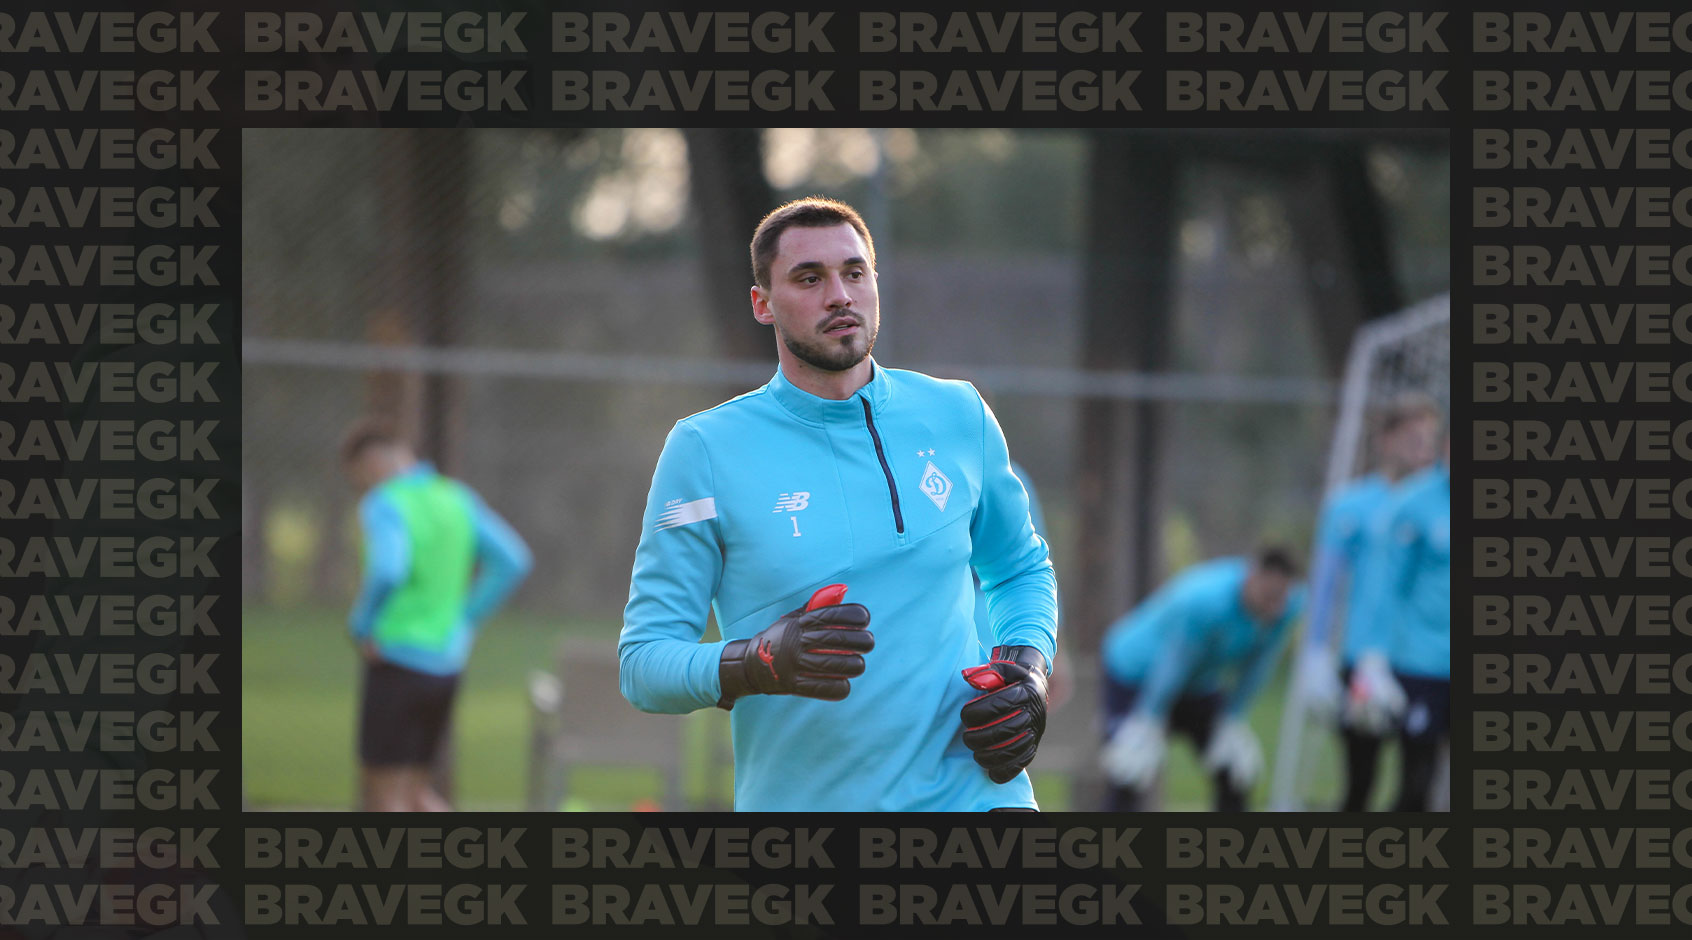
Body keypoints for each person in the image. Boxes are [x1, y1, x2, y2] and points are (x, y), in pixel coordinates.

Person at [618, 196, 1058, 811]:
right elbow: (643, 665)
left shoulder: (959, 414)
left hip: (977, 797)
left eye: (854, 273)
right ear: (762, 305)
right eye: (809, 278)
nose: (839, 295)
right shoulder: (703, 451)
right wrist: (753, 663)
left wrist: (1027, 671)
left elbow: (1018, 568)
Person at [340, 419, 533, 811]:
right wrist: (466, 618)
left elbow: (388, 569)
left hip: (395, 658)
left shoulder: (385, 502)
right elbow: (513, 561)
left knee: (385, 797)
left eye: (360, 478)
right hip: (445, 665)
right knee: (417, 793)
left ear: (371, 463)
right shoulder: (456, 498)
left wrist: (362, 626)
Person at [1295, 395, 1440, 811]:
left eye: (1429, 439)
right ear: (1386, 440)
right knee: (1361, 781)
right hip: (1363, 661)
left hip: (1419, 663)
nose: (1422, 449)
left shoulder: (1439, 503)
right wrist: (1317, 650)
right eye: (1412, 438)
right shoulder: (1352, 506)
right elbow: (1326, 583)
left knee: (1418, 784)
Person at [1098, 548, 1304, 811]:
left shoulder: (1288, 608)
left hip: (1197, 682)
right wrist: (1148, 717)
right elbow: (1174, 663)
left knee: (1233, 769)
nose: (1272, 607)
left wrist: (1232, 717)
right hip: (1136, 674)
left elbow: (1259, 666)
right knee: (1129, 768)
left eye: (1279, 599)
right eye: (1268, 597)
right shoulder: (1205, 601)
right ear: (1251, 578)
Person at [1376, 433, 1450, 811]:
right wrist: (1374, 657)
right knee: (1417, 782)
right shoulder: (1414, 504)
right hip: (1423, 663)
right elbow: (1387, 589)